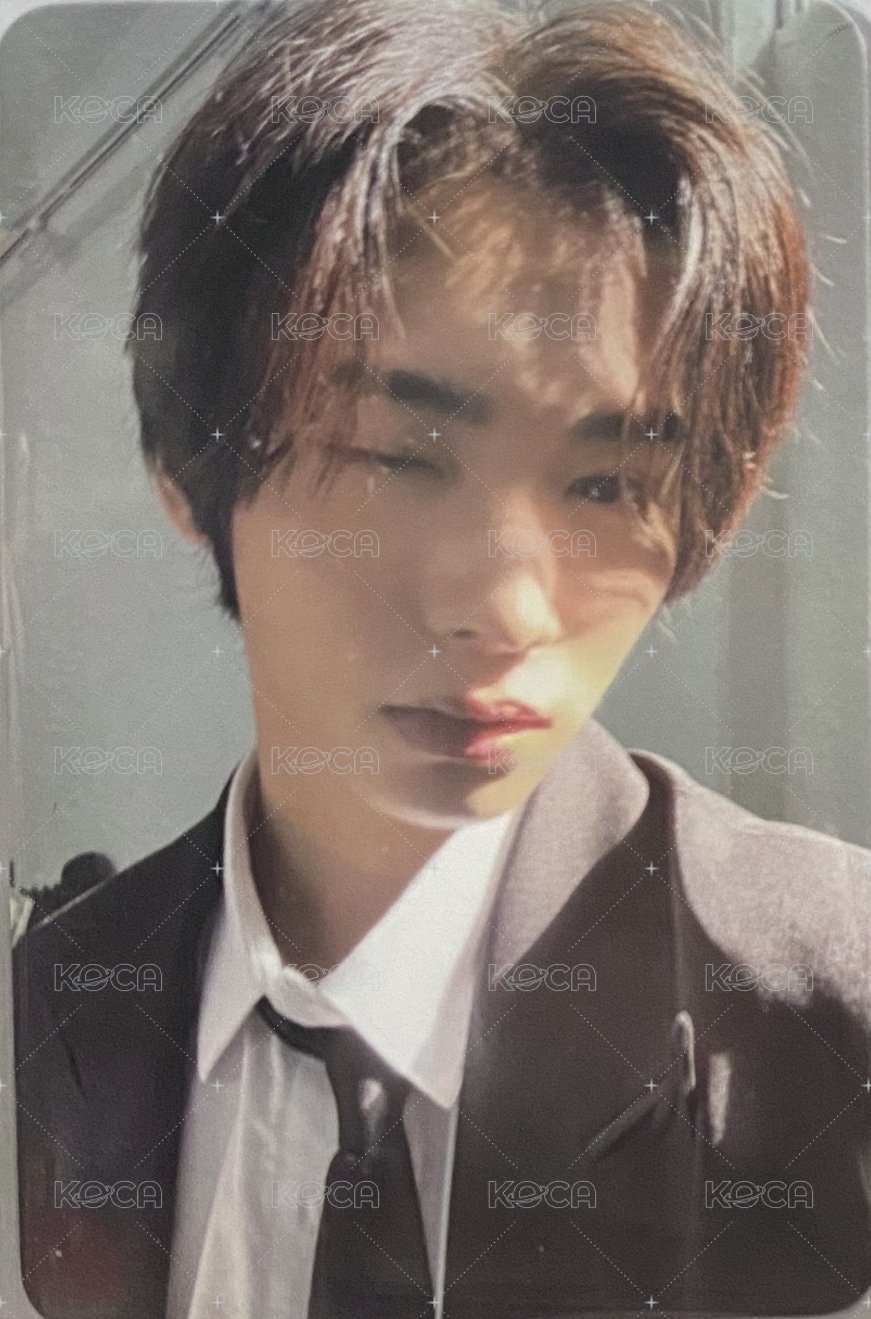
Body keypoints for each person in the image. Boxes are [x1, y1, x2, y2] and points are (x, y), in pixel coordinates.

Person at [13, 0, 871, 1315]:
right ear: (188, 463)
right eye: (399, 459)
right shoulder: (56, 1008)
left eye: (605, 484)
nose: (508, 608)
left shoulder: (828, 1013)